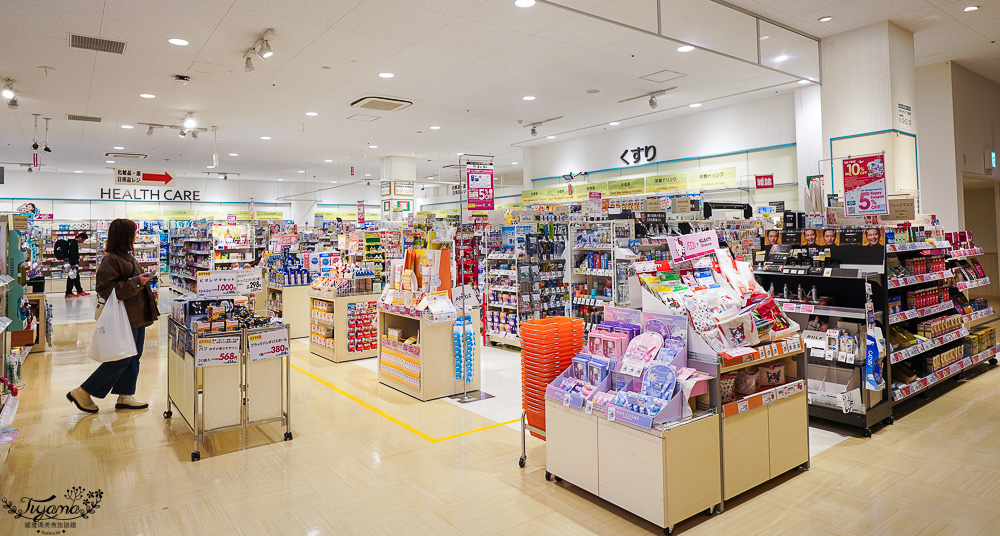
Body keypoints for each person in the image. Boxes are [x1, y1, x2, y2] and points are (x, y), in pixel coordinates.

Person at [67, 219, 159, 413]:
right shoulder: (111, 259)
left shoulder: (127, 256)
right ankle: (83, 392)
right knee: (122, 357)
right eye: (133, 233)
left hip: (136, 315)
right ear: (125, 235)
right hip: (124, 317)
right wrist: (137, 282)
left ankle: (125, 395)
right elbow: (104, 288)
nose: (136, 236)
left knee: (134, 356)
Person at [65, 232, 89, 297]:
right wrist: (73, 264)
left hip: (72, 263)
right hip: (73, 264)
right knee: (72, 277)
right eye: (83, 240)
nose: (83, 241)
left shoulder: (72, 242)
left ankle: (79, 290)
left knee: (76, 277)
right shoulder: (74, 243)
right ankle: (68, 292)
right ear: (80, 238)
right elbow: (73, 254)